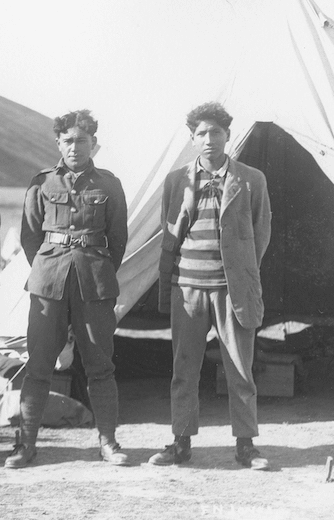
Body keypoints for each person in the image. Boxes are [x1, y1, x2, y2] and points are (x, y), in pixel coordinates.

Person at [148, 102, 272, 470]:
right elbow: (169, 234)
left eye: (215, 132)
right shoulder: (177, 180)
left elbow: (260, 233)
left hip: (231, 290)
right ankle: (181, 441)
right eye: (201, 133)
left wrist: (240, 272)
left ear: (228, 135)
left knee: (239, 368)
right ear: (192, 139)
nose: (208, 140)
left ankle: (246, 445)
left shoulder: (251, 179)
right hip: (187, 289)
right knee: (184, 368)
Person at [6, 109, 129, 469]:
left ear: (94, 143)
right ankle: (26, 444)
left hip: (93, 283)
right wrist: (50, 268)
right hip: (48, 283)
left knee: (100, 365)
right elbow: (31, 237)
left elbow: (118, 239)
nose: (75, 147)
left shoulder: (109, 184)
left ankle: (108, 443)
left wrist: (96, 268)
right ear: (58, 143)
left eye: (82, 140)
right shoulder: (41, 183)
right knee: (39, 365)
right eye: (68, 140)